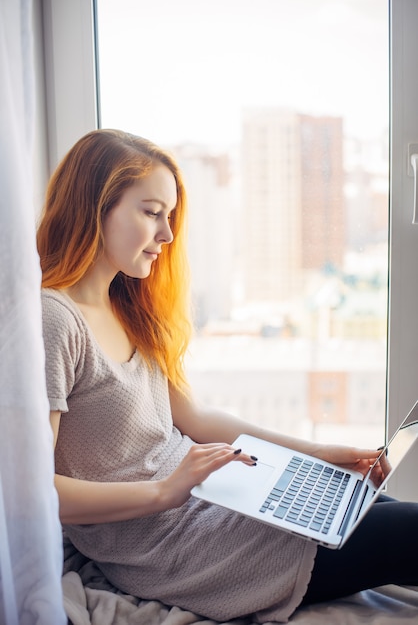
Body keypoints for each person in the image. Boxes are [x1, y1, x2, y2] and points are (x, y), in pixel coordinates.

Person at [37, 129, 418, 623]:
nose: (167, 235)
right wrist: (165, 491)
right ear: (94, 207)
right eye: (151, 213)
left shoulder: (125, 305)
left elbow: (194, 417)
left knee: (373, 508)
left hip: (216, 498)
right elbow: (35, 489)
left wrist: (318, 455)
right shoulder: (55, 320)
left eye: (169, 217)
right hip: (173, 545)